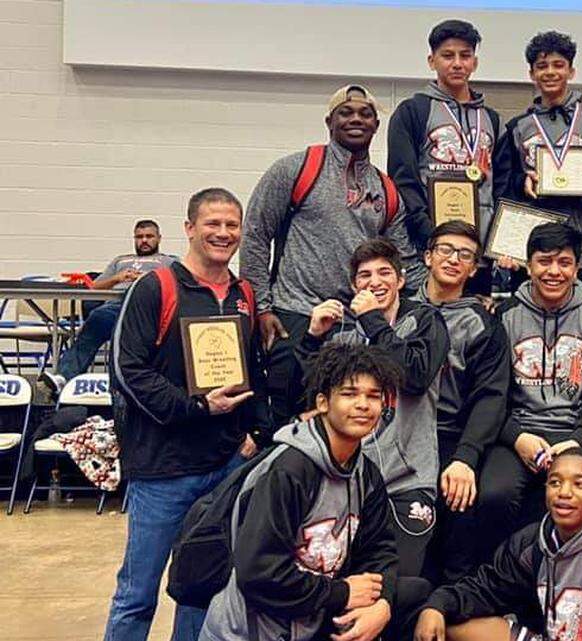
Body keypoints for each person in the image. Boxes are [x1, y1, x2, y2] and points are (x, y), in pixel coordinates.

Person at [104, 188, 270, 641]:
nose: (222, 233)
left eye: (231, 225)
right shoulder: (155, 287)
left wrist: (251, 432)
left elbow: (253, 368)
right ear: (189, 228)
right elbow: (127, 370)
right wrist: (195, 407)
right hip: (163, 472)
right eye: (212, 224)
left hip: (223, 467)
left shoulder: (244, 294)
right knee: (137, 594)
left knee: (201, 588)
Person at [199, 343, 408, 641]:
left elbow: (381, 550)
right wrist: (342, 592)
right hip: (247, 631)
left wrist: (383, 601)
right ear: (323, 403)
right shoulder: (290, 469)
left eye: (373, 396)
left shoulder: (366, 473)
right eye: (349, 394)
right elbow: (259, 571)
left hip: (307, 624)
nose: (363, 404)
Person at [241, 84, 416, 428]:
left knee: (347, 418)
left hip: (356, 322)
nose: (356, 119)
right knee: (286, 418)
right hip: (295, 312)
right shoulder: (296, 168)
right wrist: (262, 307)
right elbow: (255, 235)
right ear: (329, 121)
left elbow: (403, 258)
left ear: (376, 125)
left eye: (366, 113)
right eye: (345, 113)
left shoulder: (386, 189)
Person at [413, 447, 582, 641]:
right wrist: (435, 606)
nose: (564, 493)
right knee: (447, 624)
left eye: (579, 484)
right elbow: (485, 588)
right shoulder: (533, 541)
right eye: (555, 482)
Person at [293, 238, 449, 578]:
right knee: (343, 582)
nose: (375, 282)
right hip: (346, 482)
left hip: (407, 482)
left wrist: (373, 320)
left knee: (397, 584)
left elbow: (415, 375)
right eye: (364, 276)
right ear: (353, 285)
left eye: (384, 273)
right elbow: (305, 398)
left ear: (401, 280)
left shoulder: (426, 320)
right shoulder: (343, 331)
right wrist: (311, 337)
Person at [481, 223, 582, 557]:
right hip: (519, 431)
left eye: (564, 263)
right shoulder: (504, 318)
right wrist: (517, 436)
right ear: (529, 265)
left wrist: (579, 439)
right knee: (493, 495)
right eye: (544, 261)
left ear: (576, 267)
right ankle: (500, 581)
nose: (554, 271)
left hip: (578, 432)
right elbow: (491, 393)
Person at [410, 221, 512, 581]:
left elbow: (490, 396)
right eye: (445, 250)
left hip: (451, 435)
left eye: (465, 255)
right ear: (427, 257)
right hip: (399, 437)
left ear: (473, 269)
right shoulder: (398, 310)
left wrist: (466, 458)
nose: (454, 259)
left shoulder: (484, 325)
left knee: (461, 519)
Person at [388, 19, 507, 296]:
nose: (457, 63)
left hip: (478, 254)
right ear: (432, 61)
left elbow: (501, 184)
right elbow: (403, 179)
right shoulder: (412, 111)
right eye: (447, 55)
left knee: (474, 327)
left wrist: (496, 241)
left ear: (474, 63)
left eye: (465, 56)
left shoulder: (492, 119)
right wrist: (430, 233)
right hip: (430, 249)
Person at [496, 30, 582, 292]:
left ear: (571, 71)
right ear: (531, 74)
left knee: (580, 322)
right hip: (531, 248)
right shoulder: (518, 126)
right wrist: (523, 181)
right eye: (542, 66)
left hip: (581, 247)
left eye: (558, 65)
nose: (550, 72)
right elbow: (505, 186)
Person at [45, 219, 177, 389]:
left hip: (146, 308)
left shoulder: (168, 262)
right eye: (139, 237)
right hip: (114, 307)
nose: (144, 241)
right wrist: (117, 278)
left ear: (159, 238)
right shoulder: (120, 261)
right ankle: (63, 378)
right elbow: (94, 288)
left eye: (149, 236)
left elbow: (177, 286)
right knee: (96, 319)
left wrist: (147, 280)